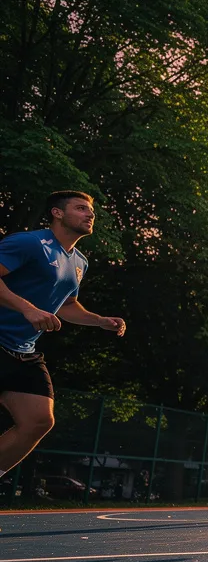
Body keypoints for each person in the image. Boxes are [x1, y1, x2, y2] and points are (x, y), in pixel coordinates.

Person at [0, 191, 126, 481]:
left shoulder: (79, 262)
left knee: (38, 421)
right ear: (57, 213)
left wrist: (99, 321)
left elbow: (67, 305)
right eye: (81, 208)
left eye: (91, 211)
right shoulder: (29, 243)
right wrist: (28, 309)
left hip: (23, 351)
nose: (90, 214)